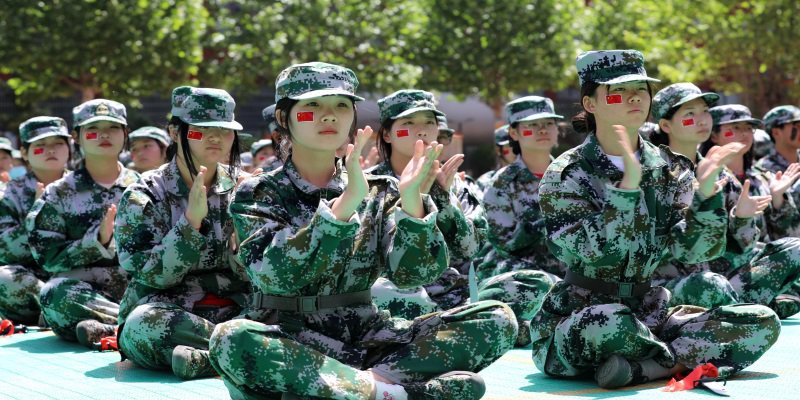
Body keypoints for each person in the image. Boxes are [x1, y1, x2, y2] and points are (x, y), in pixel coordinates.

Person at [209, 62, 516, 400]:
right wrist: (343, 207)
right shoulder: (258, 192)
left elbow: (412, 275)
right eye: (313, 106)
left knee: (497, 318)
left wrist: (413, 206)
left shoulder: (381, 189)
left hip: (369, 338)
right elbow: (276, 277)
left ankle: (358, 390)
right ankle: (403, 393)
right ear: (285, 117)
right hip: (292, 339)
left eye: (342, 106)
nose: (329, 116)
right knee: (232, 338)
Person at [532, 50, 780, 389]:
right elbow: (596, 253)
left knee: (760, 321)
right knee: (608, 322)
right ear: (590, 103)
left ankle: (644, 368)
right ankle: (675, 359)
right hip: (585, 312)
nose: (635, 97)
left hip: (649, 311)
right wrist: (627, 190)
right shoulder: (567, 172)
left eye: (642, 89)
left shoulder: (671, 168)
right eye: (619, 91)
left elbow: (693, 251)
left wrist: (706, 199)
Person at [115, 86, 251, 380]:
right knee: (142, 326)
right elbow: (149, 274)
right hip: (171, 312)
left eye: (224, 130)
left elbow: (261, 272)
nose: (215, 137)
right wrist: (190, 225)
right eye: (202, 129)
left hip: (237, 309)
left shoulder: (246, 188)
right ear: (176, 133)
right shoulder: (144, 193)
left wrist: (242, 240)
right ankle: (245, 352)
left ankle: (210, 358)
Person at [27, 99, 140, 347]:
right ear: (76, 137)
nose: (104, 135)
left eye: (113, 127)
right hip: (85, 290)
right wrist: (96, 241)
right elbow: (48, 257)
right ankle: (132, 327)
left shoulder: (145, 187)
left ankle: (111, 328)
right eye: (93, 129)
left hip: (136, 287)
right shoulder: (57, 193)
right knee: (54, 294)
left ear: (125, 134)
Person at [367, 89, 482, 319]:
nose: (421, 130)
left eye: (429, 122)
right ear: (387, 134)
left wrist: (443, 197)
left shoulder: (455, 183)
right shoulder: (367, 184)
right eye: (408, 123)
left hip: (448, 298)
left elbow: (469, 248)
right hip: (389, 298)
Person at [478, 96, 568, 346]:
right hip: (521, 271)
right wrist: (545, 224)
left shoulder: (573, 175)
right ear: (514, 133)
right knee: (535, 284)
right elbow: (505, 242)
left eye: (548, 124)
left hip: (565, 270)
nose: (542, 130)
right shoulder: (502, 183)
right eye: (532, 125)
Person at [696, 104, 800, 318]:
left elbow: (787, 237)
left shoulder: (763, 178)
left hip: (764, 267)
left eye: (748, 128)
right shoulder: (707, 180)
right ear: (714, 135)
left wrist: (778, 199)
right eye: (734, 128)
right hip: (724, 273)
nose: (744, 134)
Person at [0, 117, 71, 325]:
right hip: (35, 280)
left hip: (80, 276)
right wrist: (34, 219)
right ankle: (57, 313)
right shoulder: (10, 193)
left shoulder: (86, 186)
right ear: (24, 152)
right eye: (41, 145)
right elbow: (3, 250)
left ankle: (65, 312)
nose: (51, 150)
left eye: (58, 143)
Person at [476, 125, 516, 191]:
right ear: (498, 150)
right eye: (509, 146)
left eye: (517, 145)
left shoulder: (531, 177)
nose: (516, 150)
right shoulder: (485, 182)